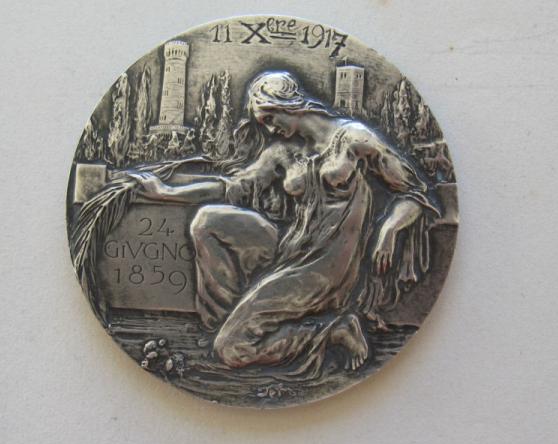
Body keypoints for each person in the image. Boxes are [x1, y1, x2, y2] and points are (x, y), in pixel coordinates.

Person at [128, 71, 440, 379]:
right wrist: (166, 192)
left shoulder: (354, 139)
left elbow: (414, 193)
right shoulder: (282, 152)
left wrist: (389, 230)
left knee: (231, 349)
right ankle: (224, 320)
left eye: (268, 117)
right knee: (207, 221)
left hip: (324, 267)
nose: (269, 128)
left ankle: (333, 331)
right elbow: (231, 187)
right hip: (288, 248)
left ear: (287, 104)